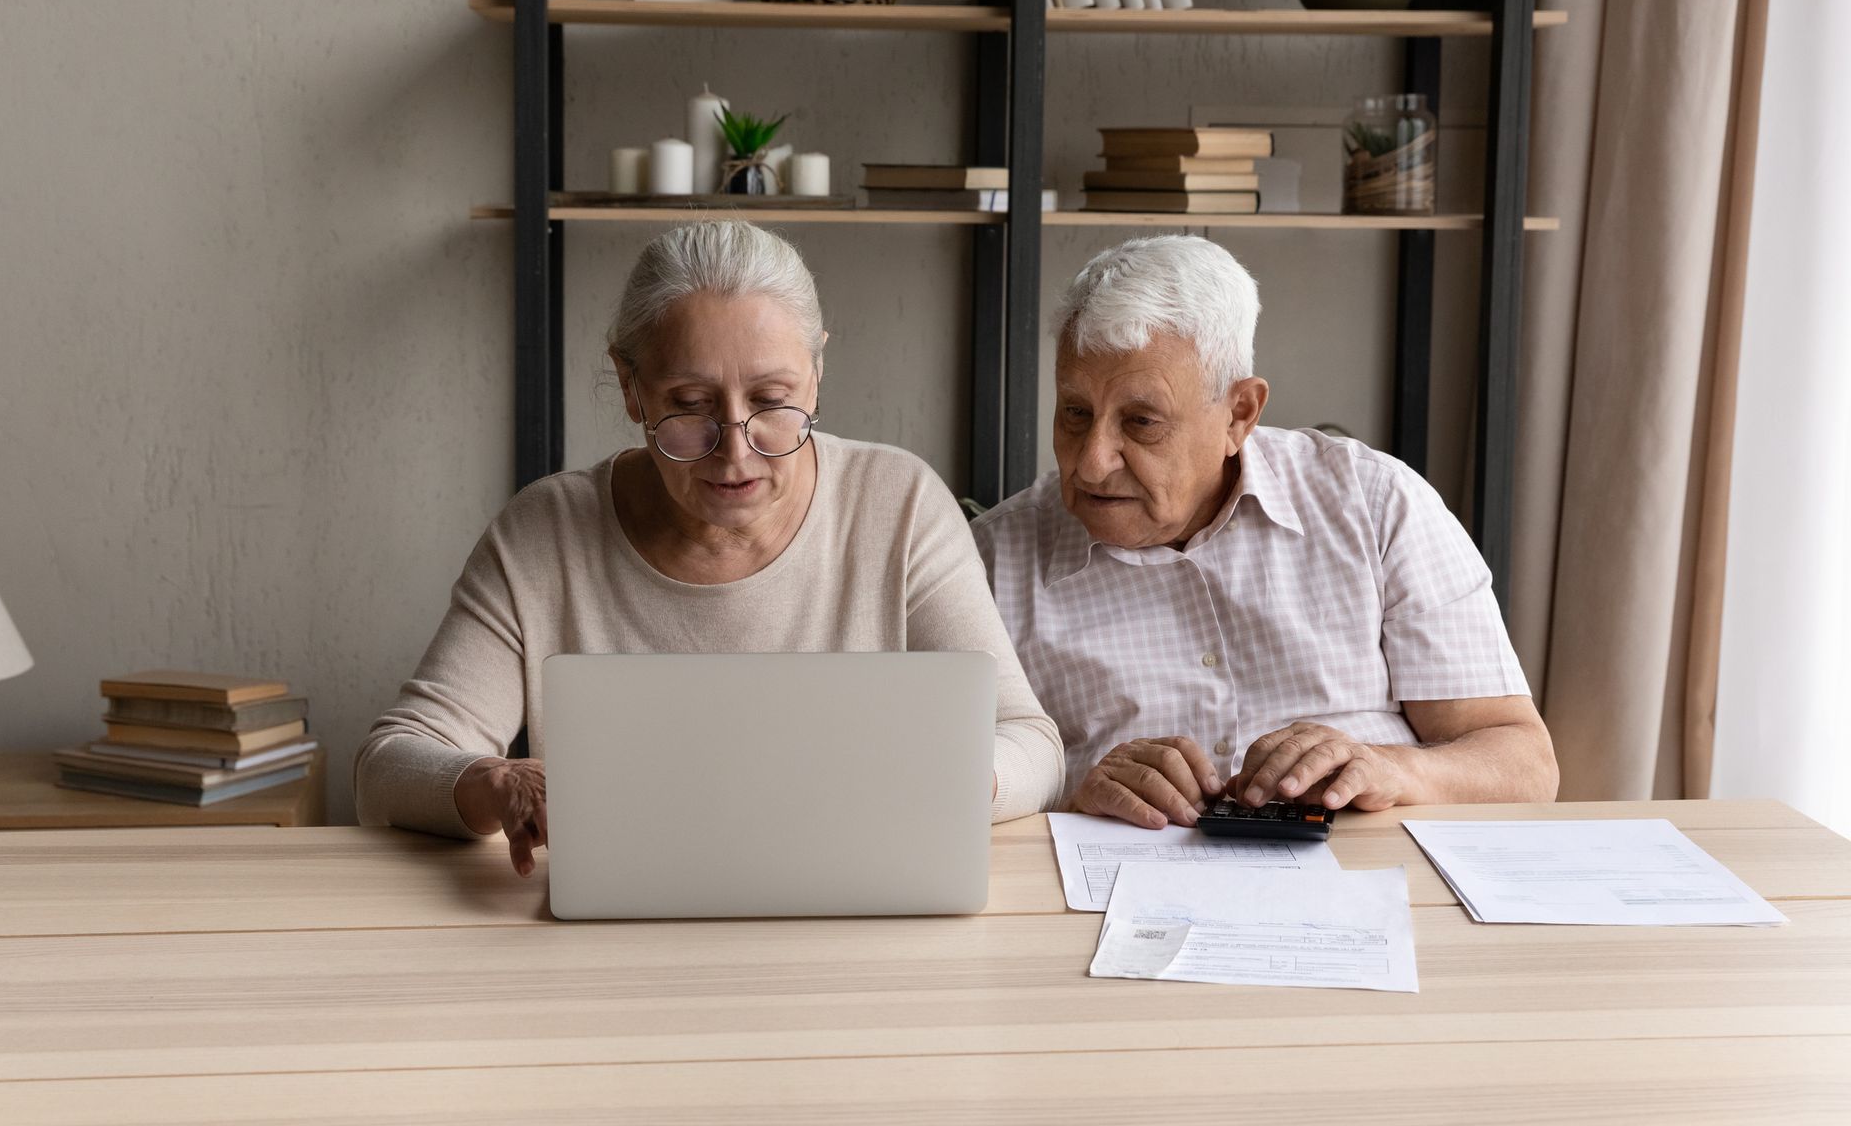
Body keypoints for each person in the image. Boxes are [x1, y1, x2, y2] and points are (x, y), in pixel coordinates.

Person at [356, 220, 1064, 873]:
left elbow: (1029, 740)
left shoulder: (897, 503)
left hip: (851, 918)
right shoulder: (546, 534)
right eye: (690, 406)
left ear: (816, 374)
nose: (736, 452)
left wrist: (953, 782)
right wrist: (493, 781)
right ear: (632, 387)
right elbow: (387, 766)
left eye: (772, 399)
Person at [972, 234, 1558, 830]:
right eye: (1075, 413)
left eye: (1141, 422)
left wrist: (1395, 770)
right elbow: (942, 790)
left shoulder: (1373, 502)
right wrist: (1072, 804)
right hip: (1112, 902)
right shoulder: (990, 562)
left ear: (1239, 414)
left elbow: (1524, 766)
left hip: (1372, 886)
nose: (1092, 461)